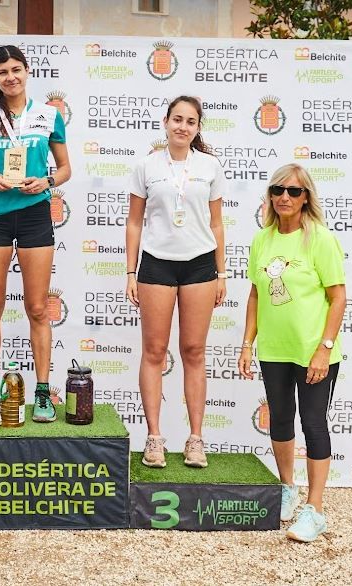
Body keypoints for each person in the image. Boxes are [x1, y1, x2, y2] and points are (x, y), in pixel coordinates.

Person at [0, 45, 71, 422]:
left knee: (38, 308)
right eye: (2, 71)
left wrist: (47, 180)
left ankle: (42, 392)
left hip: (34, 214)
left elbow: (65, 168)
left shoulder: (48, 115)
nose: (10, 77)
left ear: (27, 72)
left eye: (16, 70)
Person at [239, 164, 345, 543]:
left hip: (314, 353)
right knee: (281, 419)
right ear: (270, 195)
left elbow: (338, 298)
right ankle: (288, 488)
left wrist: (324, 348)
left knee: (314, 424)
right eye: (278, 189)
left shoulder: (319, 239)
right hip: (274, 349)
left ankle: (315, 510)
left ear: (306, 199)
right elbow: (255, 294)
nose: (285, 196)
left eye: (294, 192)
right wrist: (247, 343)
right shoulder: (261, 239)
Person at [125, 96, 227, 468]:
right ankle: (154, 438)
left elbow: (216, 224)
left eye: (191, 122)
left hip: (200, 265)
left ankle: (196, 439)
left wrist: (222, 272)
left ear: (198, 128)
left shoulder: (210, 166)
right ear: (165, 122)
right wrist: (130, 271)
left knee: (194, 352)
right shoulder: (146, 166)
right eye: (177, 119)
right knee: (154, 352)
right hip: (156, 265)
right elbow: (134, 222)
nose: (183, 127)